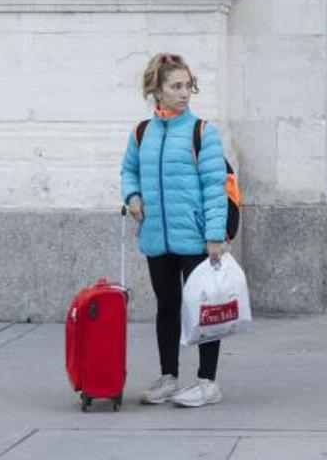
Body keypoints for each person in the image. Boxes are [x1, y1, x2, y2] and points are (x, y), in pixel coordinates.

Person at [121, 53, 228, 408]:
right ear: (157, 90)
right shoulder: (142, 133)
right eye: (176, 86)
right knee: (167, 306)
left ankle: (207, 382)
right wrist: (132, 195)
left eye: (188, 86)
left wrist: (215, 235)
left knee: (204, 309)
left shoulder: (202, 132)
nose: (184, 93)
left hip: (196, 238)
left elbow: (215, 186)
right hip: (156, 237)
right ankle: (169, 377)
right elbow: (129, 170)